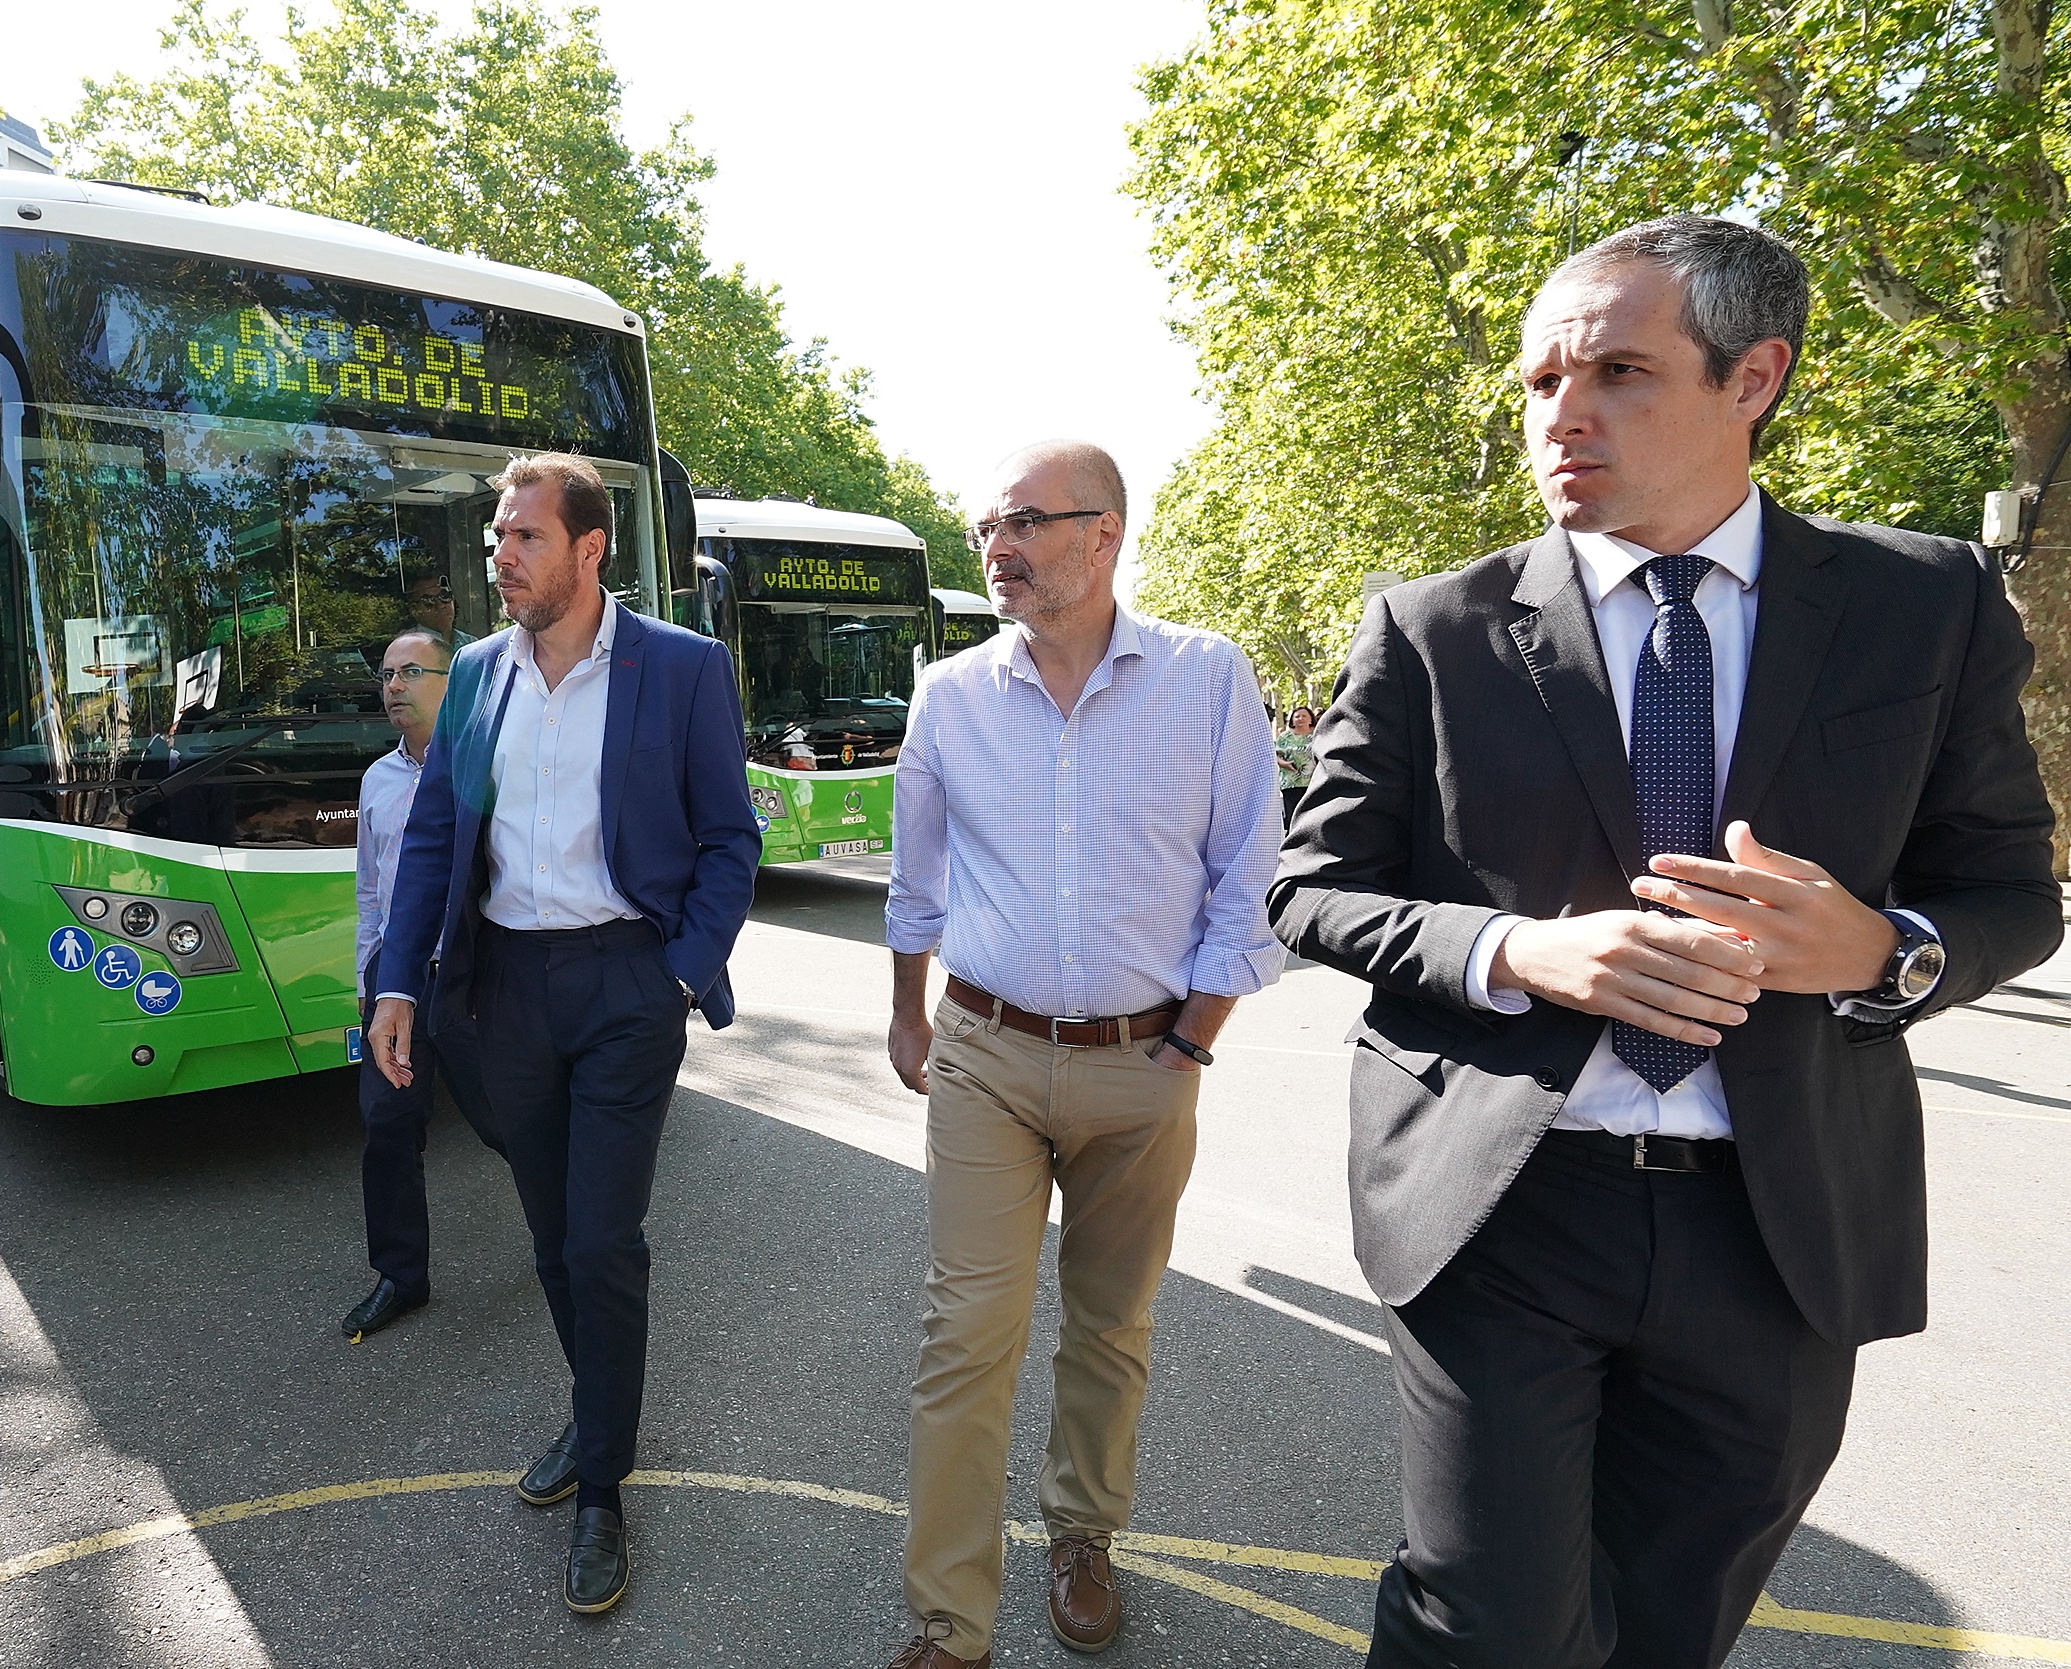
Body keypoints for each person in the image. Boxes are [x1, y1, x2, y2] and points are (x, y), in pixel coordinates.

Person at [1271, 216, 2060, 1665]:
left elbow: (2012, 891)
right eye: (1538, 383)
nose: (1559, 415)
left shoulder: (1924, 605)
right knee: (1485, 1624)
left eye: (1616, 373)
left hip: (1778, 1223)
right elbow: (1313, 887)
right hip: (1505, 1205)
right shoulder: (1433, 626)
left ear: (1752, 377)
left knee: (1671, 1631)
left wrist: (1880, 950)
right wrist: (1517, 954)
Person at [881, 440, 1285, 1667]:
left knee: (1110, 1322)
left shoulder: (1204, 678)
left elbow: (1244, 875)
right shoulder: (947, 693)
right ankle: (950, 1621)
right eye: (985, 528)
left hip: (1144, 1062)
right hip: (985, 1054)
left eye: (1022, 522)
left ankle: (1081, 1534)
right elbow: (914, 875)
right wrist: (908, 1012)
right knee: (966, 1334)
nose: (996, 548)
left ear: (1102, 533)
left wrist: (1193, 1038)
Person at [365, 452, 760, 1616]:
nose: (500, 555)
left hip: (624, 983)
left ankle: (601, 1490)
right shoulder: (477, 673)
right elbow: (434, 837)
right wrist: (397, 984)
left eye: (523, 536)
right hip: (502, 991)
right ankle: (598, 1417)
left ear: (588, 549)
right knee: (549, 1236)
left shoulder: (680, 667)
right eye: (498, 535)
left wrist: (674, 975)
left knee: (600, 1242)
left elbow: (729, 839)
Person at [342, 626, 453, 1341]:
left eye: (411, 671)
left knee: (510, 1120)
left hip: (472, 970)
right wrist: (370, 974)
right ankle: (401, 1274)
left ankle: (572, 1233)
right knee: (387, 1120)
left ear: (449, 683)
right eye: (386, 674)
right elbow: (370, 889)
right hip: (397, 975)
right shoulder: (378, 779)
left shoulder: (482, 767)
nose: (393, 686)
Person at [405, 567, 475, 648]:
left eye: (445, 596)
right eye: (429, 600)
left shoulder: (471, 643)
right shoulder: (408, 647)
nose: (441, 605)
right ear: (414, 610)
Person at [1274, 704, 1318, 826]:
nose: (1300, 718)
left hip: (1313, 782)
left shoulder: (1317, 735)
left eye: (1304, 716)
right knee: (1292, 818)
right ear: (1292, 720)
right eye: (1297, 716)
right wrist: (1284, 764)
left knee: (1310, 817)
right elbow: (1275, 755)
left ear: (1311, 719)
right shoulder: (1285, 737)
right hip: (1291, 782)